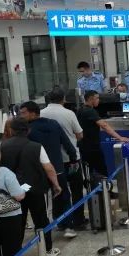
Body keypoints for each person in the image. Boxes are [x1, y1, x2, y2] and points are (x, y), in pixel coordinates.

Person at [1, 118, 62, 256]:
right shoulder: (36, 146)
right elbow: (48, 167)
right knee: (41, 220)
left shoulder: (1, 146)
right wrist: (56, 185)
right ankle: (46, 250)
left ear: (11, 130)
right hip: (35, 190)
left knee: (16, 222)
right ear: (28, 131)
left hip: (13, 191)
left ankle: (16, 255)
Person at [20, 101, 79, 238]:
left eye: (23, 113)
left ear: (33, 113)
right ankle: (67, 225)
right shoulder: (53, 124)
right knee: (63, 196)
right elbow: (67, 143)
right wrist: (73, 158)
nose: (21, 116)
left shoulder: (27, 130)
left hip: (37, 171)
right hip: (57, 168)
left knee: (39, 201)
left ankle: (43, 230)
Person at [42, 87, 87, 234]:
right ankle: (78, 219)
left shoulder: (41, 113)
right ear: (63, 99)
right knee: (76, 189)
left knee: (57, 190)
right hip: (71, 158)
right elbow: (79, 135)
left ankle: (60, 221)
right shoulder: (68, 113)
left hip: (50, 161)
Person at [77, 91, 129, 179]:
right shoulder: (90, 111)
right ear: (91, 99)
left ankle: (94, 185)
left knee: (89, 171)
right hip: (92, 147)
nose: (99, 100)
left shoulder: (80, 110)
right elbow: (104, 125)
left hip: (83, 146)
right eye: (97, 98)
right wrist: (120, 137)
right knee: (102, 171)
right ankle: (105, 186)